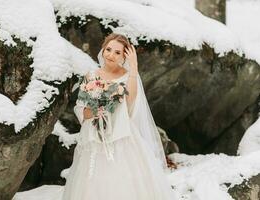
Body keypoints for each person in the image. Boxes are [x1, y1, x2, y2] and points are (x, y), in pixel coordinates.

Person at [62, 33, 178, 200]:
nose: (111, 55)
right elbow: (80, 108)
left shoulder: (128, 77)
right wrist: (94, 111)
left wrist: (134, 69)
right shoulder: (91, 76)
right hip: (94, 138)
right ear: (103, 49)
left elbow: (131, 104)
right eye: (108, 49)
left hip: (121, 135)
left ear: (124, 56)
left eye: (117, 52)